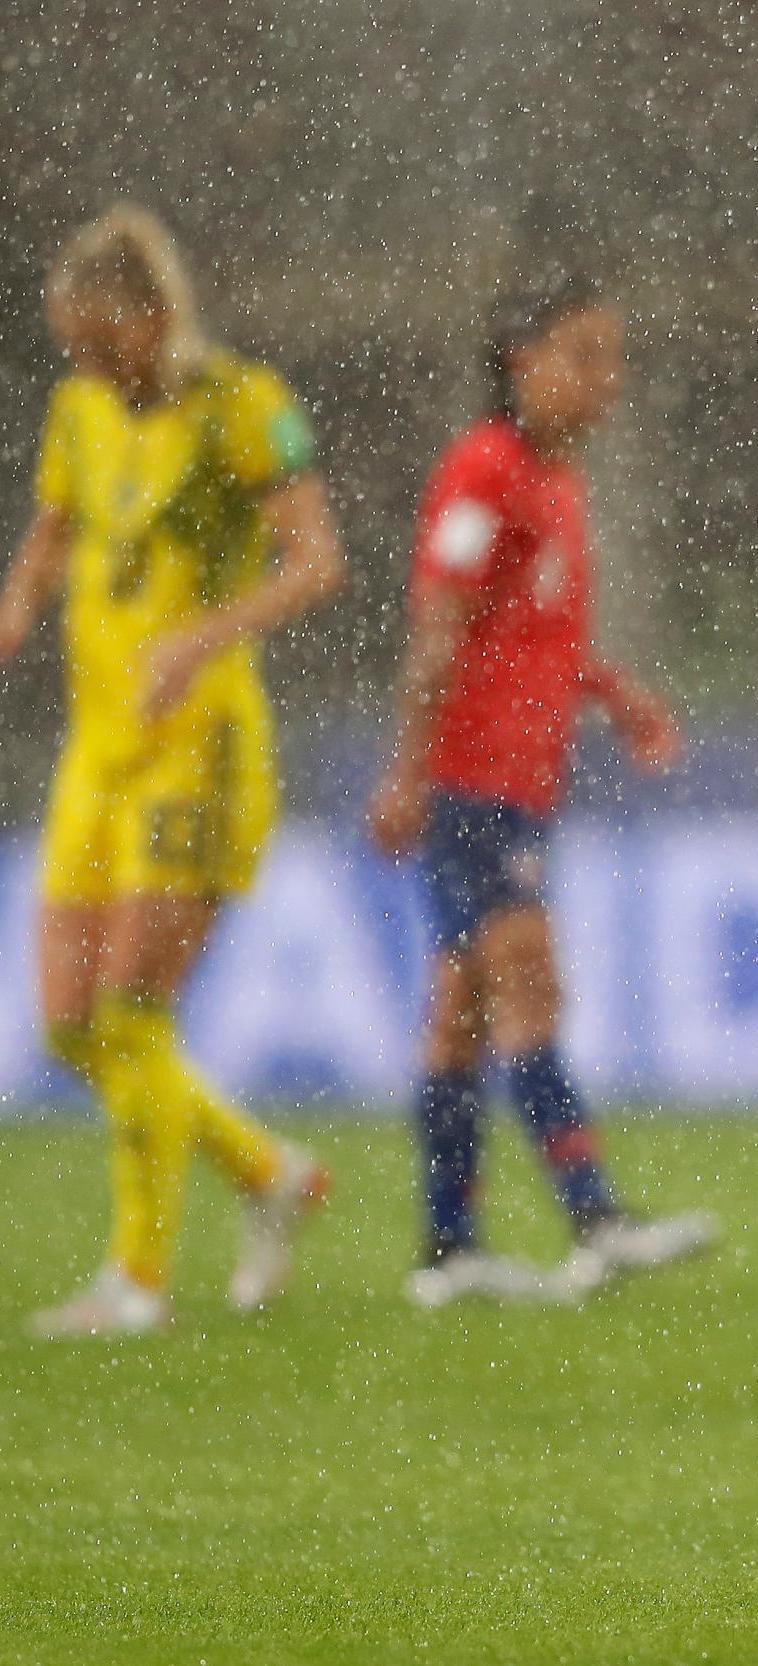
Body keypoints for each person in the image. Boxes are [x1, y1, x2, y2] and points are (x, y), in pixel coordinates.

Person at [0, 205, 344, 1336]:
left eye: (102, 341)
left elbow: (316, 560)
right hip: (98, 745)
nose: (86, 364)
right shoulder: (78, 411)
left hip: (200, 742)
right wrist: (13, 613)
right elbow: (53, 535)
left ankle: (137, 1280)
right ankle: (267, 1173)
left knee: (132, 1009)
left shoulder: (244, 406)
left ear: (153, 317)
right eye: (72, 347)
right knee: (65, 1023)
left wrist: (203, 636)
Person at [367, 276, 716, 1306]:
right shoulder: (486, 470)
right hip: (473, 778)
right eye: (582, 355)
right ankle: (595, 1217)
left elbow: (534, 634)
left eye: (613, 357)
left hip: (516, 777)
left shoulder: (551, 480)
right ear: (521, 360)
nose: (604, 380)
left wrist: (616, 693)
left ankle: (449, 1247)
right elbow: (442, 624)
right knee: (528, 986)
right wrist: (409, 770)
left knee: (461, 1014)